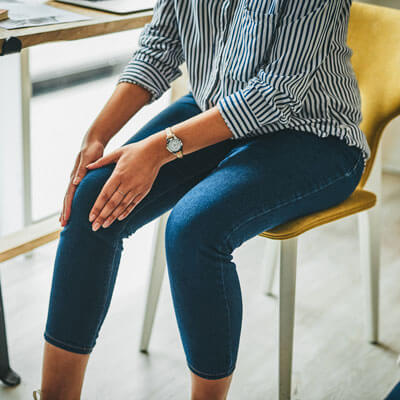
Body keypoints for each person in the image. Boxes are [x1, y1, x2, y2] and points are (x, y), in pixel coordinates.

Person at [33, 0, 371, 398]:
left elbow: (276, 94)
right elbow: (160, 44)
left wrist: (159, 149)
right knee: (94, 199)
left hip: (313, 134)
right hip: (216, 108)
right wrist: (97, 135)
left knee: (194, 229)